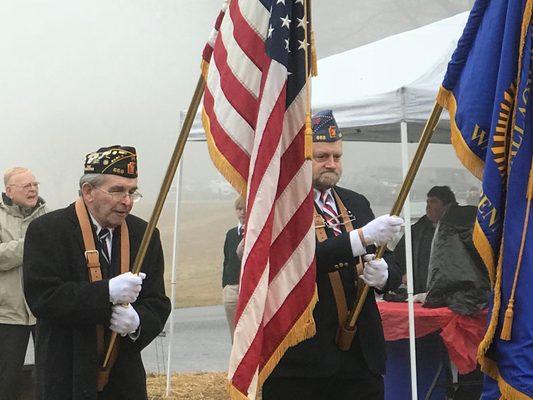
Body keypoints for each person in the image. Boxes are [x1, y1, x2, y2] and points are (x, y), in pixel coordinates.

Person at [262, 110, 403, 400]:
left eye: (337, 157)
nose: (331, 164)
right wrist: (359, 238)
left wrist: (384, 275)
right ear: (301, 157)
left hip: (360, 358)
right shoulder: (280, 206)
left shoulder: (356, 202)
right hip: (302, 362)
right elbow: (297, 264)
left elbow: (392, 261)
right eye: (322, 156)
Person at [23, 145, 171, 400]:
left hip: (124, 379)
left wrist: (138, 323)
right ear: (88, 191)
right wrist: (106, 292)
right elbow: (43, 298)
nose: (127, 201)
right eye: (117, 191)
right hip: (66, 372)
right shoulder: (47, 230)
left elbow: (157, 302)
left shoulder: (144, 235)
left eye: (132, 192)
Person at [0, 167, 48, 400]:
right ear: (9, 191)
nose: (33, 189)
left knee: (50, 374)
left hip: (44, 310)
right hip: (7, 313)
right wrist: (33, 243)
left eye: (35, 184)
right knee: (6, 380)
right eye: (26, 186)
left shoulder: (48, 216)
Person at [394, 185, 457, 294]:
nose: (428, 206)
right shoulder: (419, 228)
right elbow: (399, 253)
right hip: (420, 290)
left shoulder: (460, 227)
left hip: (452, 292)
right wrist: (404, 271)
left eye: (433, 201)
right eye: (427, 202)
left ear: (447, 205)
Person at [222, 196, 245, 341]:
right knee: (235, 332)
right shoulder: (231, 234)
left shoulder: (257, 232)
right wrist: (225, 285)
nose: (242, 212)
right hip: (232, 287)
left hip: (250, 286)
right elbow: (227, 260)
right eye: (239, 209)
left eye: (245, 209)